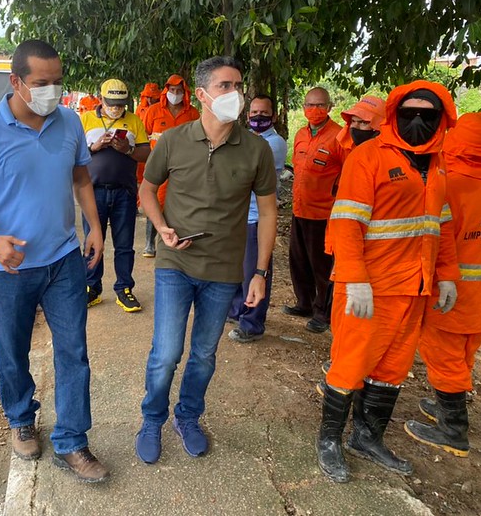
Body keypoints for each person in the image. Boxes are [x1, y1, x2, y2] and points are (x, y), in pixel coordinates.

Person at [0, 40, 109, 483]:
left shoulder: (70, 121)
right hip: (9, 268)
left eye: (58, 82)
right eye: (41, 83)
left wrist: (94, 227)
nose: (51, 92)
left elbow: (80, 177)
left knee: (74, 351)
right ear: (15, 82)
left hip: (62, 260)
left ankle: (72, 441)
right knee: (13, 351)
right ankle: (21, 418)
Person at [316, 80, 460, 484]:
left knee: (392, 370)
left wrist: (446, 276)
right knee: (350, 365)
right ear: (394, 117)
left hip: (414, 288)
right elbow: (346, 222)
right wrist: (354, 278)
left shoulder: (439, 164)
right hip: (369, 288)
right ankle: (329, 441)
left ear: (442, 121)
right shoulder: (368, 158)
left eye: (427, 116)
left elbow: (441, 228)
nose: (417, 121)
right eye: (408, 113)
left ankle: (367, 436)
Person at [135, 56, 277, 464]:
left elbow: (268, 212)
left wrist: (261, 273)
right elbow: (147, 189)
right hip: (174, 263)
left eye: (238, 85)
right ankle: (152, 419)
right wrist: (160, 226)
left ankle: (188, 417)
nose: (235, 94)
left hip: (223, 270)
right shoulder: (174, 141)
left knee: (204, 354)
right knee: (166, 353)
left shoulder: (256, 151)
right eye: (225, 86)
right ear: (202, 95)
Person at [405, 112, 481, 457]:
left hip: (449, 292)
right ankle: (446, 405)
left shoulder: (448, 184)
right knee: (464, 354)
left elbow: (431, 240)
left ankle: (453, 429)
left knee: (444, 358)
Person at [308, 95, 386, 334]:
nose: (357, 127)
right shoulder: (350, 149)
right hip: (342, 233)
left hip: (368, 243)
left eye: (364, 123)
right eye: (354, 122)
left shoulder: (384, 159)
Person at [80, 79, 151, 312]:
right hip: (93, 192)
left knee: (124, 244)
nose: (116, 108)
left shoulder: (134, 121)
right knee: (92, 242)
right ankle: (91, 287)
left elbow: (145, 153)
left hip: (124, 192)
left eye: (120, 104)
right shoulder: (86, 119)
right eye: (112, 103)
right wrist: (94, 147)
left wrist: (127, 149)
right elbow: (73, 151)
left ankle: (124, 288)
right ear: (101, 99)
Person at [227, 94, 288, 343]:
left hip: (257, 216)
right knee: (237, 269)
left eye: (264, 113)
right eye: (253, 113)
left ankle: (252, 323)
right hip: (239, 215)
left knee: (256, 271)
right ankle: (237, 312)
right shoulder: (248, 140)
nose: (258, 117)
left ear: (273, 116)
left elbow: (240, 171)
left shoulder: (273, 143)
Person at [285, 87, 343, 326]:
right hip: (299, 210)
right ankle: (305, 303)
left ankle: (323, 312)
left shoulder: (339, 136)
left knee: (323, 267)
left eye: (320, 105)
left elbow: (350, 174)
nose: (314, 110)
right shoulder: (300, 134)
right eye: (310, 105)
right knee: (298, 261)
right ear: (303, 108)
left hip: (324, 215)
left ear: (329, 107)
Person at [141, 74, 200, 257]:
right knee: (156, 200)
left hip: (184, 165)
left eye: (179, 91)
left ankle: (179, 239)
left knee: (181, 200)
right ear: (166, 91)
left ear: (185, 93)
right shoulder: (153, 111)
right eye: (172, 90)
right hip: (157, 164)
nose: (175, 94)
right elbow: (144, 135)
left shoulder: (192, 113)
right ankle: (150, 243)